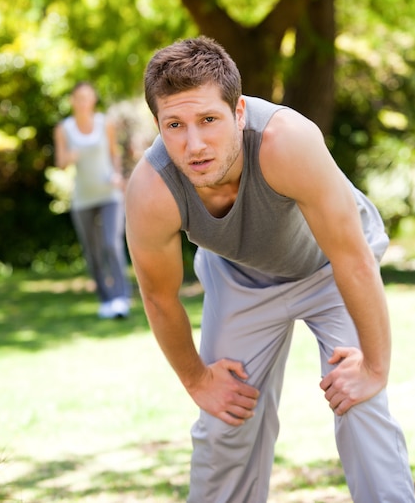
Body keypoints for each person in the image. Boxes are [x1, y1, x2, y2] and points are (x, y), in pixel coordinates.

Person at [125, 36, 414, 502]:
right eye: (173, 124)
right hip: (240, 277)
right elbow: (159, 298)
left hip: (331, 267)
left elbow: (352, 258)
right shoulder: (152, 190)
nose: (193, 144)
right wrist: (198, 380)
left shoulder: (286, 141)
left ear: (238, 112)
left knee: (359, 405)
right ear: (157, 124)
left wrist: (376, 369)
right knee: (224, 423)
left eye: (209, 120)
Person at [54, 81, 131, 319]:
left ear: (93, 100)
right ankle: (106, 301)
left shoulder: (104, 123)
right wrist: (69, 156)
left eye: (88, 98)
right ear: (72, 101)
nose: (83, 102)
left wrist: (118, 175)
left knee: (111, 243)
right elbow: (60, 163)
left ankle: (121, 299)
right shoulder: (64, 128)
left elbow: (114, 154)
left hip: (109, 195)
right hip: (82, 199)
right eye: (79, 98)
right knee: (93, 251)